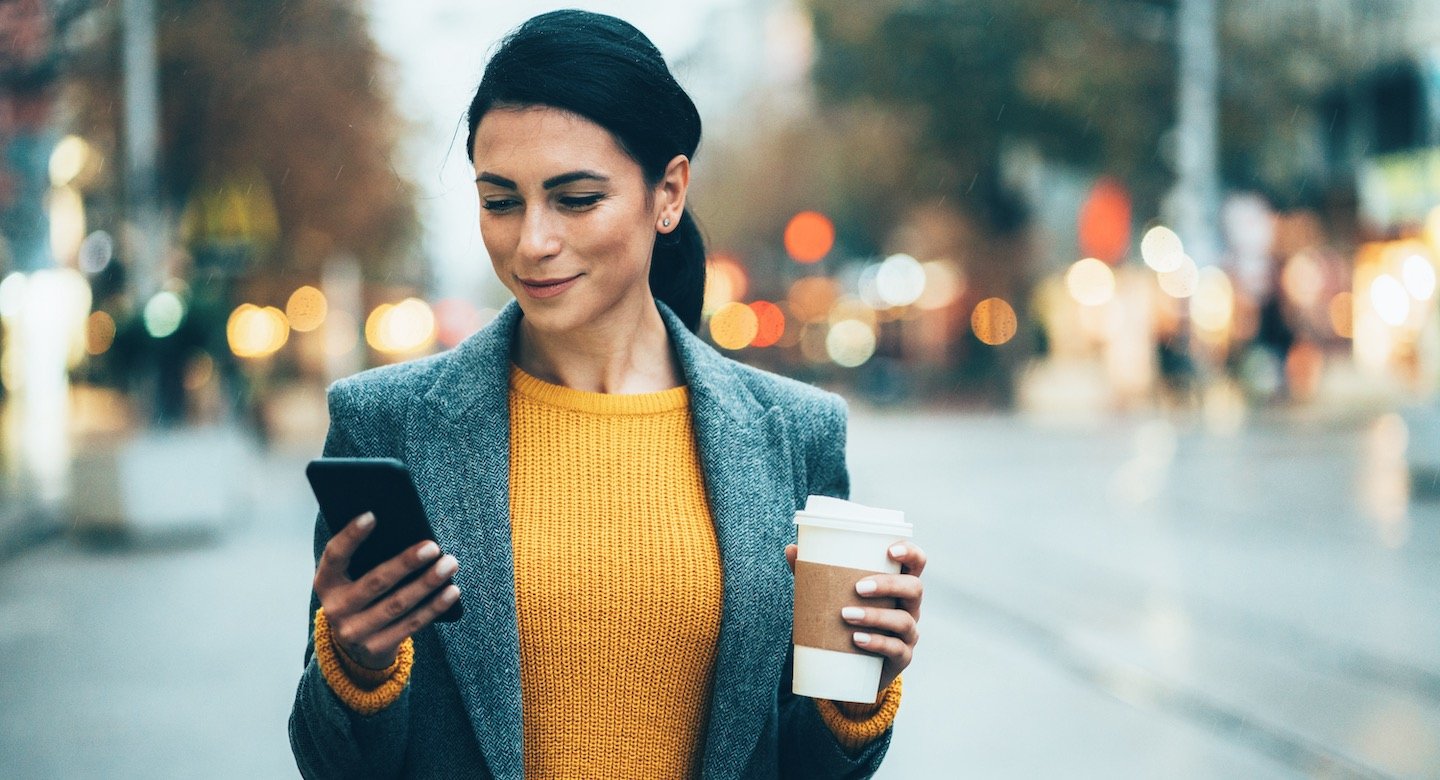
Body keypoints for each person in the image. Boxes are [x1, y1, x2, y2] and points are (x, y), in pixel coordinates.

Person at [288, 10, 926, 779]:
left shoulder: (796, 433)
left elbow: (806, 767)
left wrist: (857, 701)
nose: (532, 241)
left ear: (669, 193)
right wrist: (354, 670)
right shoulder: (384, 425)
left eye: (576, 198)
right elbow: (331, 766)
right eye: (501, 201)